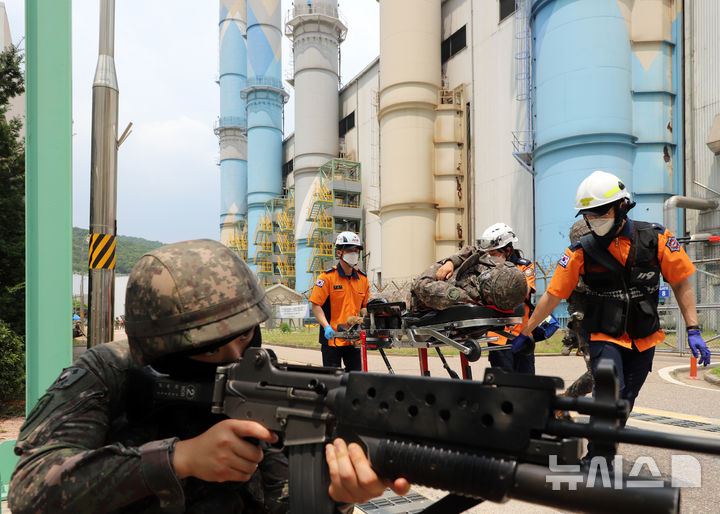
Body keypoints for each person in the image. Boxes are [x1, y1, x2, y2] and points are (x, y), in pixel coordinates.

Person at [9, 239, 409, 513]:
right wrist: (178, 459)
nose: (235, 355)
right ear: (160, 349)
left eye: (245, 335)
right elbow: (31, 490)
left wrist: (335, 496)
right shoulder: (108, 372)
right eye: (211, 348)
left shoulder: (265, 380)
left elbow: (285, 498)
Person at [512, 170, 712, 426]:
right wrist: (527, 331)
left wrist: (693, 329)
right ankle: (597, 457)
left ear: (622, 207)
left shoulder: (656, 239)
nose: (594, 220)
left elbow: (681, 283)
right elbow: (552, 296)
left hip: (644, 337)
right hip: (604, 335)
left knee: (625, 401)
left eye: (600, 213)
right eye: (588, 215)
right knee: (608, 392)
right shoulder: (580, 251)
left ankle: (606, 444)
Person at [435, 222, 536, 372]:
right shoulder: (485, 269)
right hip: (498, 336)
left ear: (507, 250)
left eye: (494, 254)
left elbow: (524, 291)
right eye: (488, 254)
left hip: (521, 333)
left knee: (527, 383)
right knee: (503, 381)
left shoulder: (523, 267)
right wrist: (450, 263)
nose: (490, 258)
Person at [309, 231, 369, 371]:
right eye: (349, 250)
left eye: (356, 250)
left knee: (355, 379)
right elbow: (316, 305)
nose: (353, 253)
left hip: (353, 340)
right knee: (333, 382)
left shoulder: (363, 279)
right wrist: (326, 326)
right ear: (339, 252)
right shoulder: (327, 278)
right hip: (332, 340)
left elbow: (365, 307)